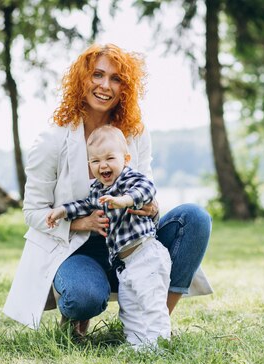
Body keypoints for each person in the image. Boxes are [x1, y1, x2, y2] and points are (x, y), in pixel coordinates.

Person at [3, 43, 213, 335]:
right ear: (81, 80)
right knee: (83, 297)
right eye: (97, 75)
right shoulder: (52, 140)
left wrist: (151, 208)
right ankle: (76, 320)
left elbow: (144, 187)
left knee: (195, 218)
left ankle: (153, 325)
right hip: (78, 251)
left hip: (132, 247)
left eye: (116, 79)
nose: (105, 85)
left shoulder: (135, 133)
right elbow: (33, 213)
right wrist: (82, 222)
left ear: (125, 88)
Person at [46, 125, 172, 347]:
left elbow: (147, 189)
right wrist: (63, 211)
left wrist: (125, 200)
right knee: (130, 306)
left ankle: (158, 344)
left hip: (146, 255)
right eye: (95, 161)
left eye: (109, 158)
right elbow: (85, 204)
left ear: (126, 159)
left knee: (151, 301)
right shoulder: (99, 190)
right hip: (125, 263)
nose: (103, 165)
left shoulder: (129, 179)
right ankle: (137, 344)